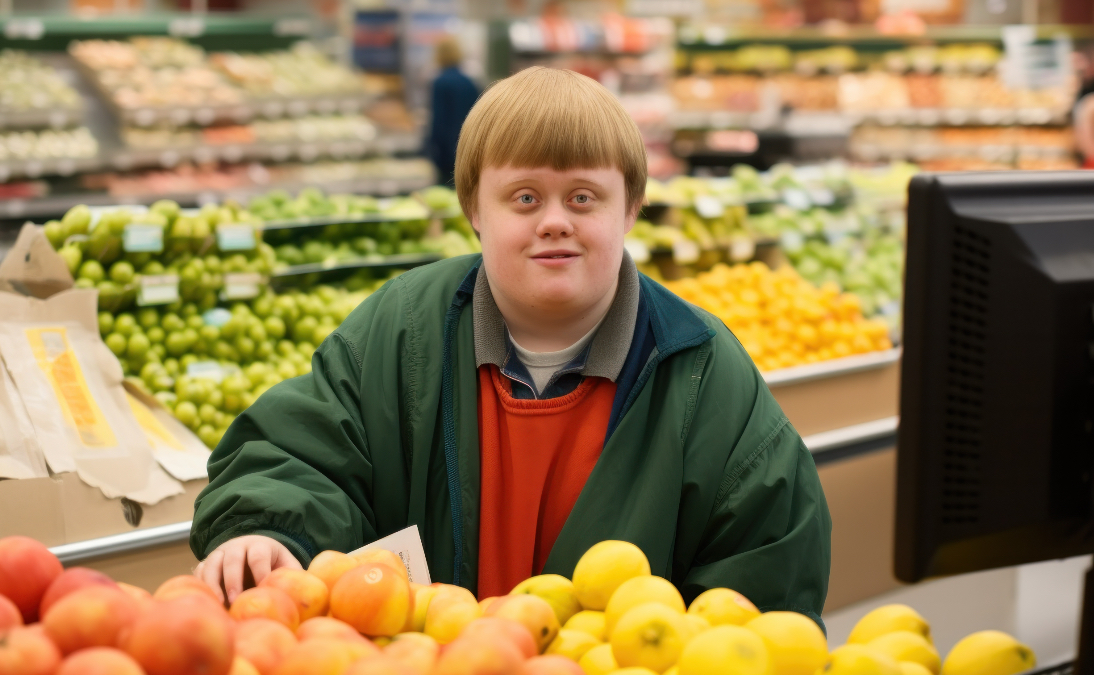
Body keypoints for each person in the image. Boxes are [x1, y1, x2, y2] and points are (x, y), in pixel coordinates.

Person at [191, 67, 832, 627]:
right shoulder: (402, 330)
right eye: (524, 197)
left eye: (584, 197)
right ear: (474, 208)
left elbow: (765, 558)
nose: (554, 220)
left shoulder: (703, 372)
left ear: (632, 208)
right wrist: (267, 530)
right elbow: (301, 450)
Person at [426, 37, 479, 185]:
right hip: (468, 146)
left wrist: (431, 149)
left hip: (447, 151)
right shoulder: (469, 82)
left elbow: (438, 120)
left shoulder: (440, 82)